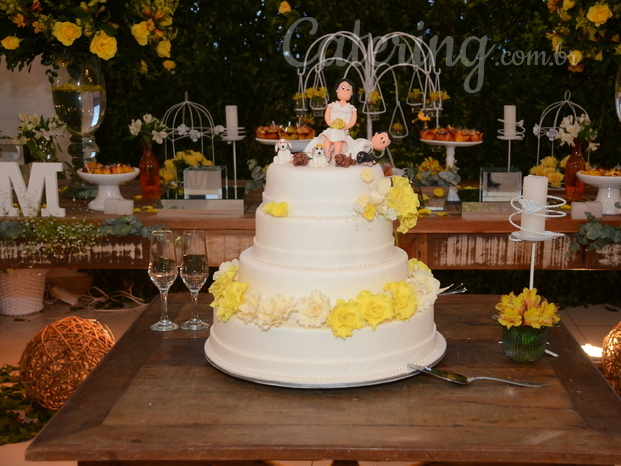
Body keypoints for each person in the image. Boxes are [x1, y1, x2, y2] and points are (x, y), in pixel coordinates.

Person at [321, 78, 357, 158]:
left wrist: (345, 127)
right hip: (332, 128)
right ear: (337, 90)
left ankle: (335, 155)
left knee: (338, 140)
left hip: (342, 130)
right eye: (343, 88)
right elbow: (327, 116)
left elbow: (353, 120)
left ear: (351, 93)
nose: (345, 91)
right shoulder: (332, 105)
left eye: (348, 89)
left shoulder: (351, 108)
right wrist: (331, 124)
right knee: (327, 138)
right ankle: (326, 153)